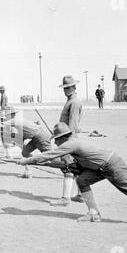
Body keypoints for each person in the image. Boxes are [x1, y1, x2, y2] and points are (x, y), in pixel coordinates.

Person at [19, 122, 127, 227]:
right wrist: (34, 162)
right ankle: (93, 213)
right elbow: (65, 164)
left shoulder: (69, 144)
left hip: (111, 165)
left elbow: (49, 155)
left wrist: (27, 161)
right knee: (82, 181)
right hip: (102, 167)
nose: (55, 143)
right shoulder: (73, 143)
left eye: (56, 140)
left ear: (61, 138)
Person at [53, 75, 84, 206]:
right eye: (64, 88)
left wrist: (67, 141)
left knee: (68, 167)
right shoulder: (70, 101)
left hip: (69, 138)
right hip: (67, 137)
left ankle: (66, 198)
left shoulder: (75, 102)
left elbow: (72, 124)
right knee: (75, 168)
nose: (66, 90)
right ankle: (80, 195)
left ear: (74, 87)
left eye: (68, 88)